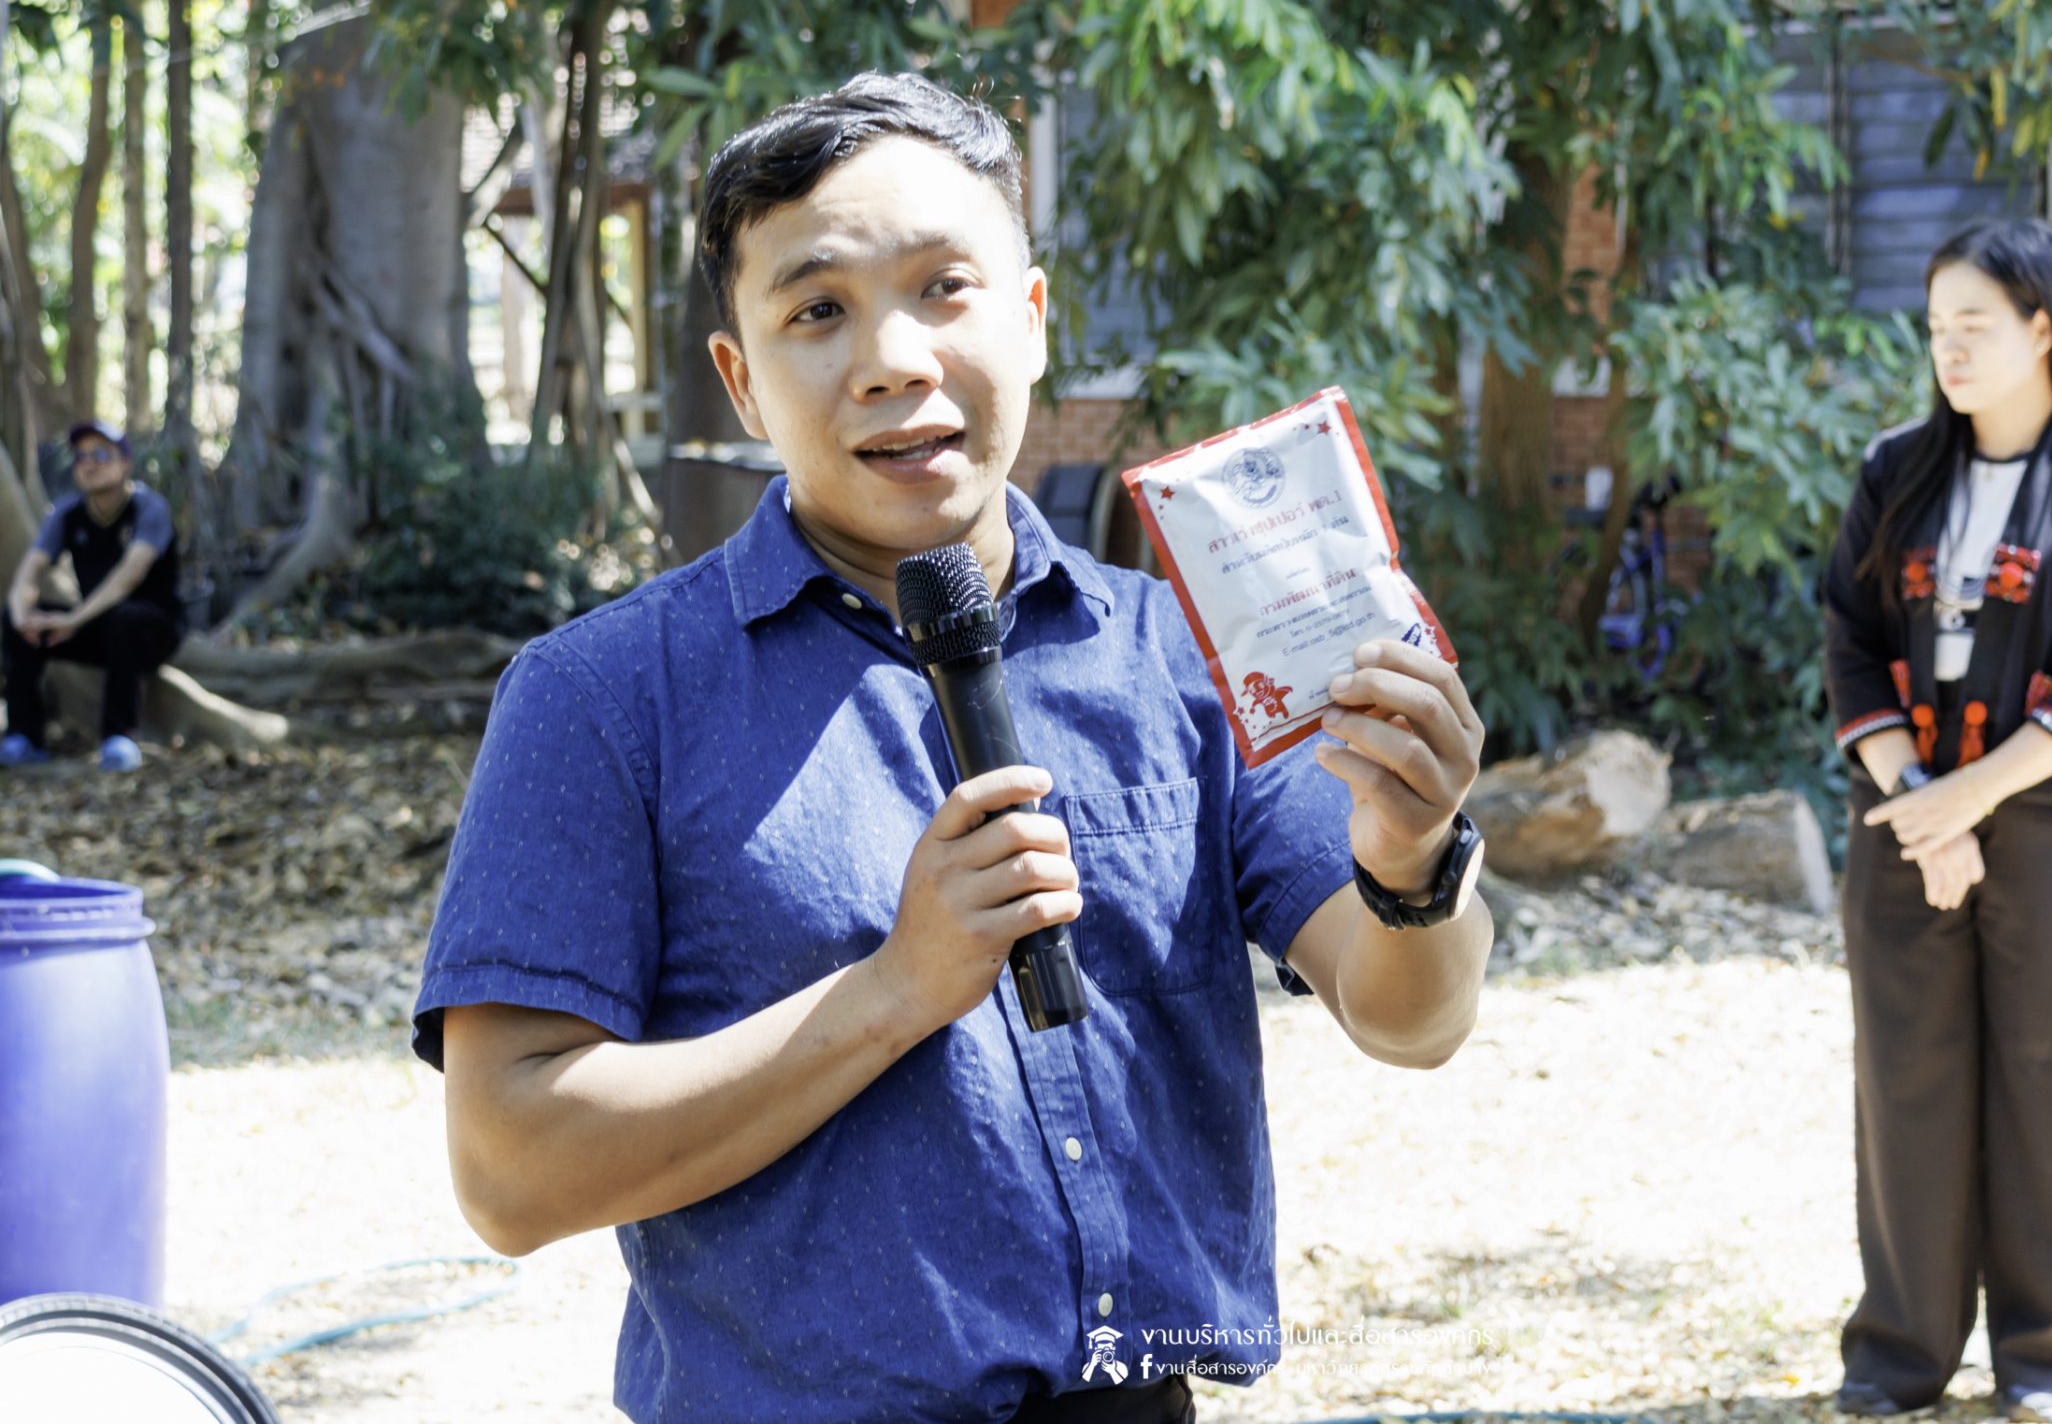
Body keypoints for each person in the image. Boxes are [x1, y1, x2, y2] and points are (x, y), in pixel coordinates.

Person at [412, 72, 1496, 1424]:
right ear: (742, 380)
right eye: (818, 310)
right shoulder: (603, 696)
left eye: (944, 288)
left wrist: (1412, 856)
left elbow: (1412, 1016)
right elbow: (509, 1171)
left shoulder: (1183, 656)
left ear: (1032, 320)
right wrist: (898, 987)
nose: (893, 358)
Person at [1818, 219, 2052, 1422]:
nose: (1950, 349)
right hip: (1903, 823)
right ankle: (1898, 1353)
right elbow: (1851, 639)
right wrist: (1919, 808)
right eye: (1936, 327)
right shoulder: (1896, 471)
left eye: (1974, 324)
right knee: (1905, 1080)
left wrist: (1964, 802)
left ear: (2041, 328)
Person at [3, 421, 187, 773]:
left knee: (125, 618)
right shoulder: (68, 513)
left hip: (154, 629)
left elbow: (129, 576)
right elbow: (31, 568)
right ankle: (23, 736)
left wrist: (73, 620)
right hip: (96, 625)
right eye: (82, 456)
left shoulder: (149, 508)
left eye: (101, 455)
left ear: (125, 463)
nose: (89, 464)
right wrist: (21, 613)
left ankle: (120, 738)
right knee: (15, 622)